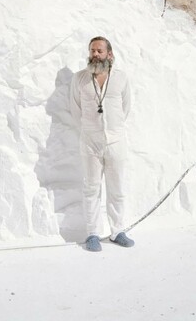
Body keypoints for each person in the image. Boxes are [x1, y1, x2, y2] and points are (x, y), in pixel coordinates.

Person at [69, 36, 135, 252]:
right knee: (91, 188)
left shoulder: (122, 78)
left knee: (117, 189)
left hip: (116, 140)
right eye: (92, 51)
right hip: (90, 141)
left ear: (109, 54)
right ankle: (93, 234)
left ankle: (117, 232)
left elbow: (125, 107)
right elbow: (75, 109)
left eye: (99, 51)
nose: (95, 54)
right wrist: (91, 129)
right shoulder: (79, 79)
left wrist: (113, 129)